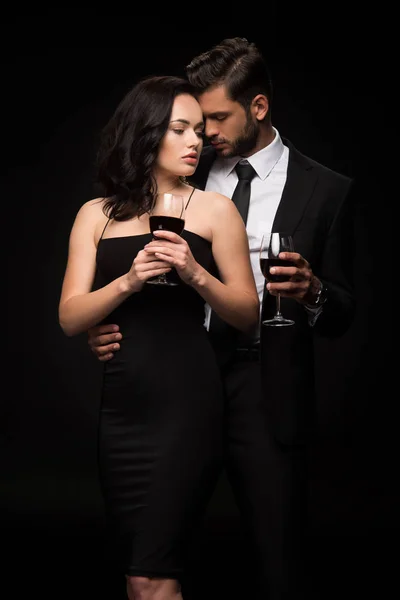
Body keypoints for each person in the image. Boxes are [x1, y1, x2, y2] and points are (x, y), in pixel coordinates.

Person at [86, 39, 356, 599]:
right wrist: (110, 321)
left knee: (277, 558)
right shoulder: (182, 167)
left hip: (266, 384)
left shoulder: (326, 190)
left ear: (257, 107)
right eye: (192, 120)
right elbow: (127, 263)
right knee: (157, 554)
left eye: (216, 117)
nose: (202, 132)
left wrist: (315, 293)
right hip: (180, 378)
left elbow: (347, 311)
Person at [58, 74, 259, 600]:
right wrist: (127, 281)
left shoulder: (216, 211)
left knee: (153, 573)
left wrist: (193, 273)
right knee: (135, 576)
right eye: (180, 129)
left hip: (186, 404)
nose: (196, 141)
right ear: (146, 133)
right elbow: (71, 317)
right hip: (122, 409)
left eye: (199, 130)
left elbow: (247, 314)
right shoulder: (95, 216)